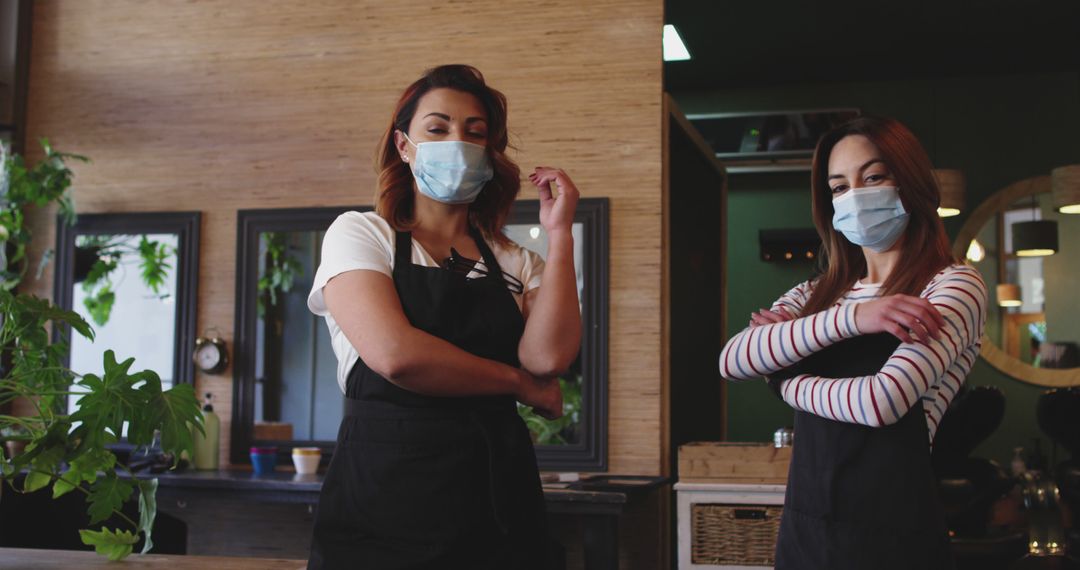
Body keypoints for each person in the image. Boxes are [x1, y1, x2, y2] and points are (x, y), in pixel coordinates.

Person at [306, 64, 582, 569]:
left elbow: (548, 358)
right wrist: (518, 385)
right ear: (403, 145)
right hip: (385, 502)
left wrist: (560, 233)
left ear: (490, 155)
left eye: (474, 133)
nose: (458, 142)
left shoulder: (517, 262)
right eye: (437, 128)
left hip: (497, 501)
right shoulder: (363, 236)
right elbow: (397, 356)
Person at [719, 116, 987, 570]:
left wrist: (786, 379)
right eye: (839, 186)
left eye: (874, 177)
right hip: (806, 529)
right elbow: (733, 358)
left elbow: (881, 402)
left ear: (910, 182)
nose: (856, 196)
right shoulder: (818, 291)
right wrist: (856, 316)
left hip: (893, 535)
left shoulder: (952, 285)